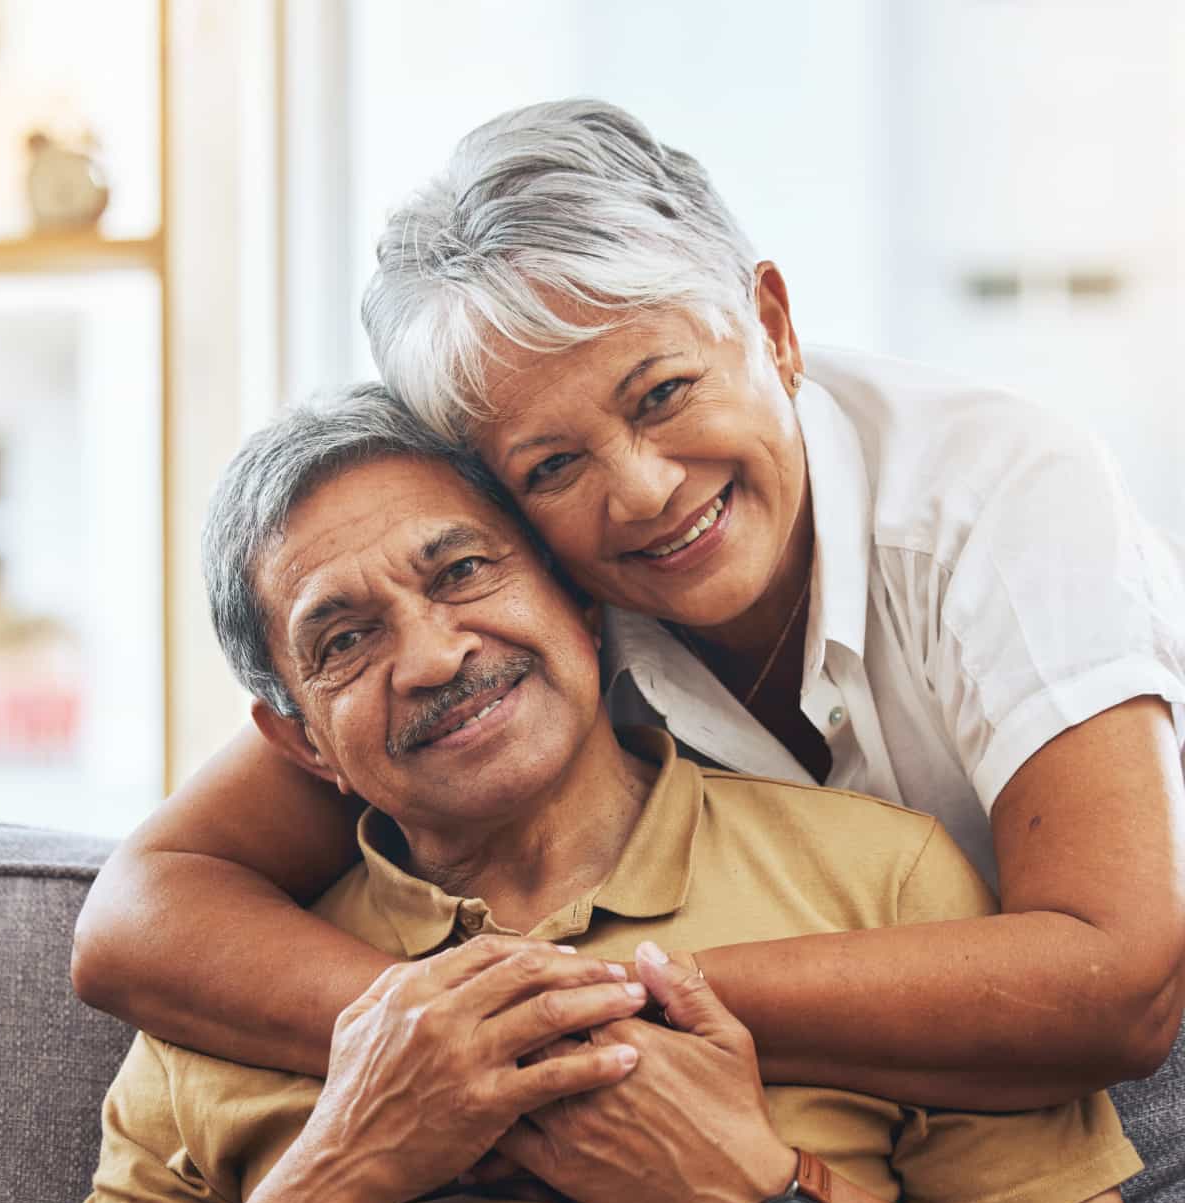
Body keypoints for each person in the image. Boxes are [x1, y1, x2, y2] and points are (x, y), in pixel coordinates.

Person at [0, 390, 1172, 1203]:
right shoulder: (236, 979)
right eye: (343, 639)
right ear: (298, 740)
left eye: (463, 571)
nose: (436, 653)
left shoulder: (879, 879)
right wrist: (345, 1162)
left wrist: (755, 1198)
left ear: (581, 599)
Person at [72, 100, 1185, 1111]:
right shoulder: (521, 611)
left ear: (774, 326)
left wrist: (593, 1002)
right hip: (833, 1085)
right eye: (552, 466)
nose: (643, 492)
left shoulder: (1001, 491)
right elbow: (136, 919)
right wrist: (449, 1039)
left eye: (664, 394)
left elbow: (1126, 983)